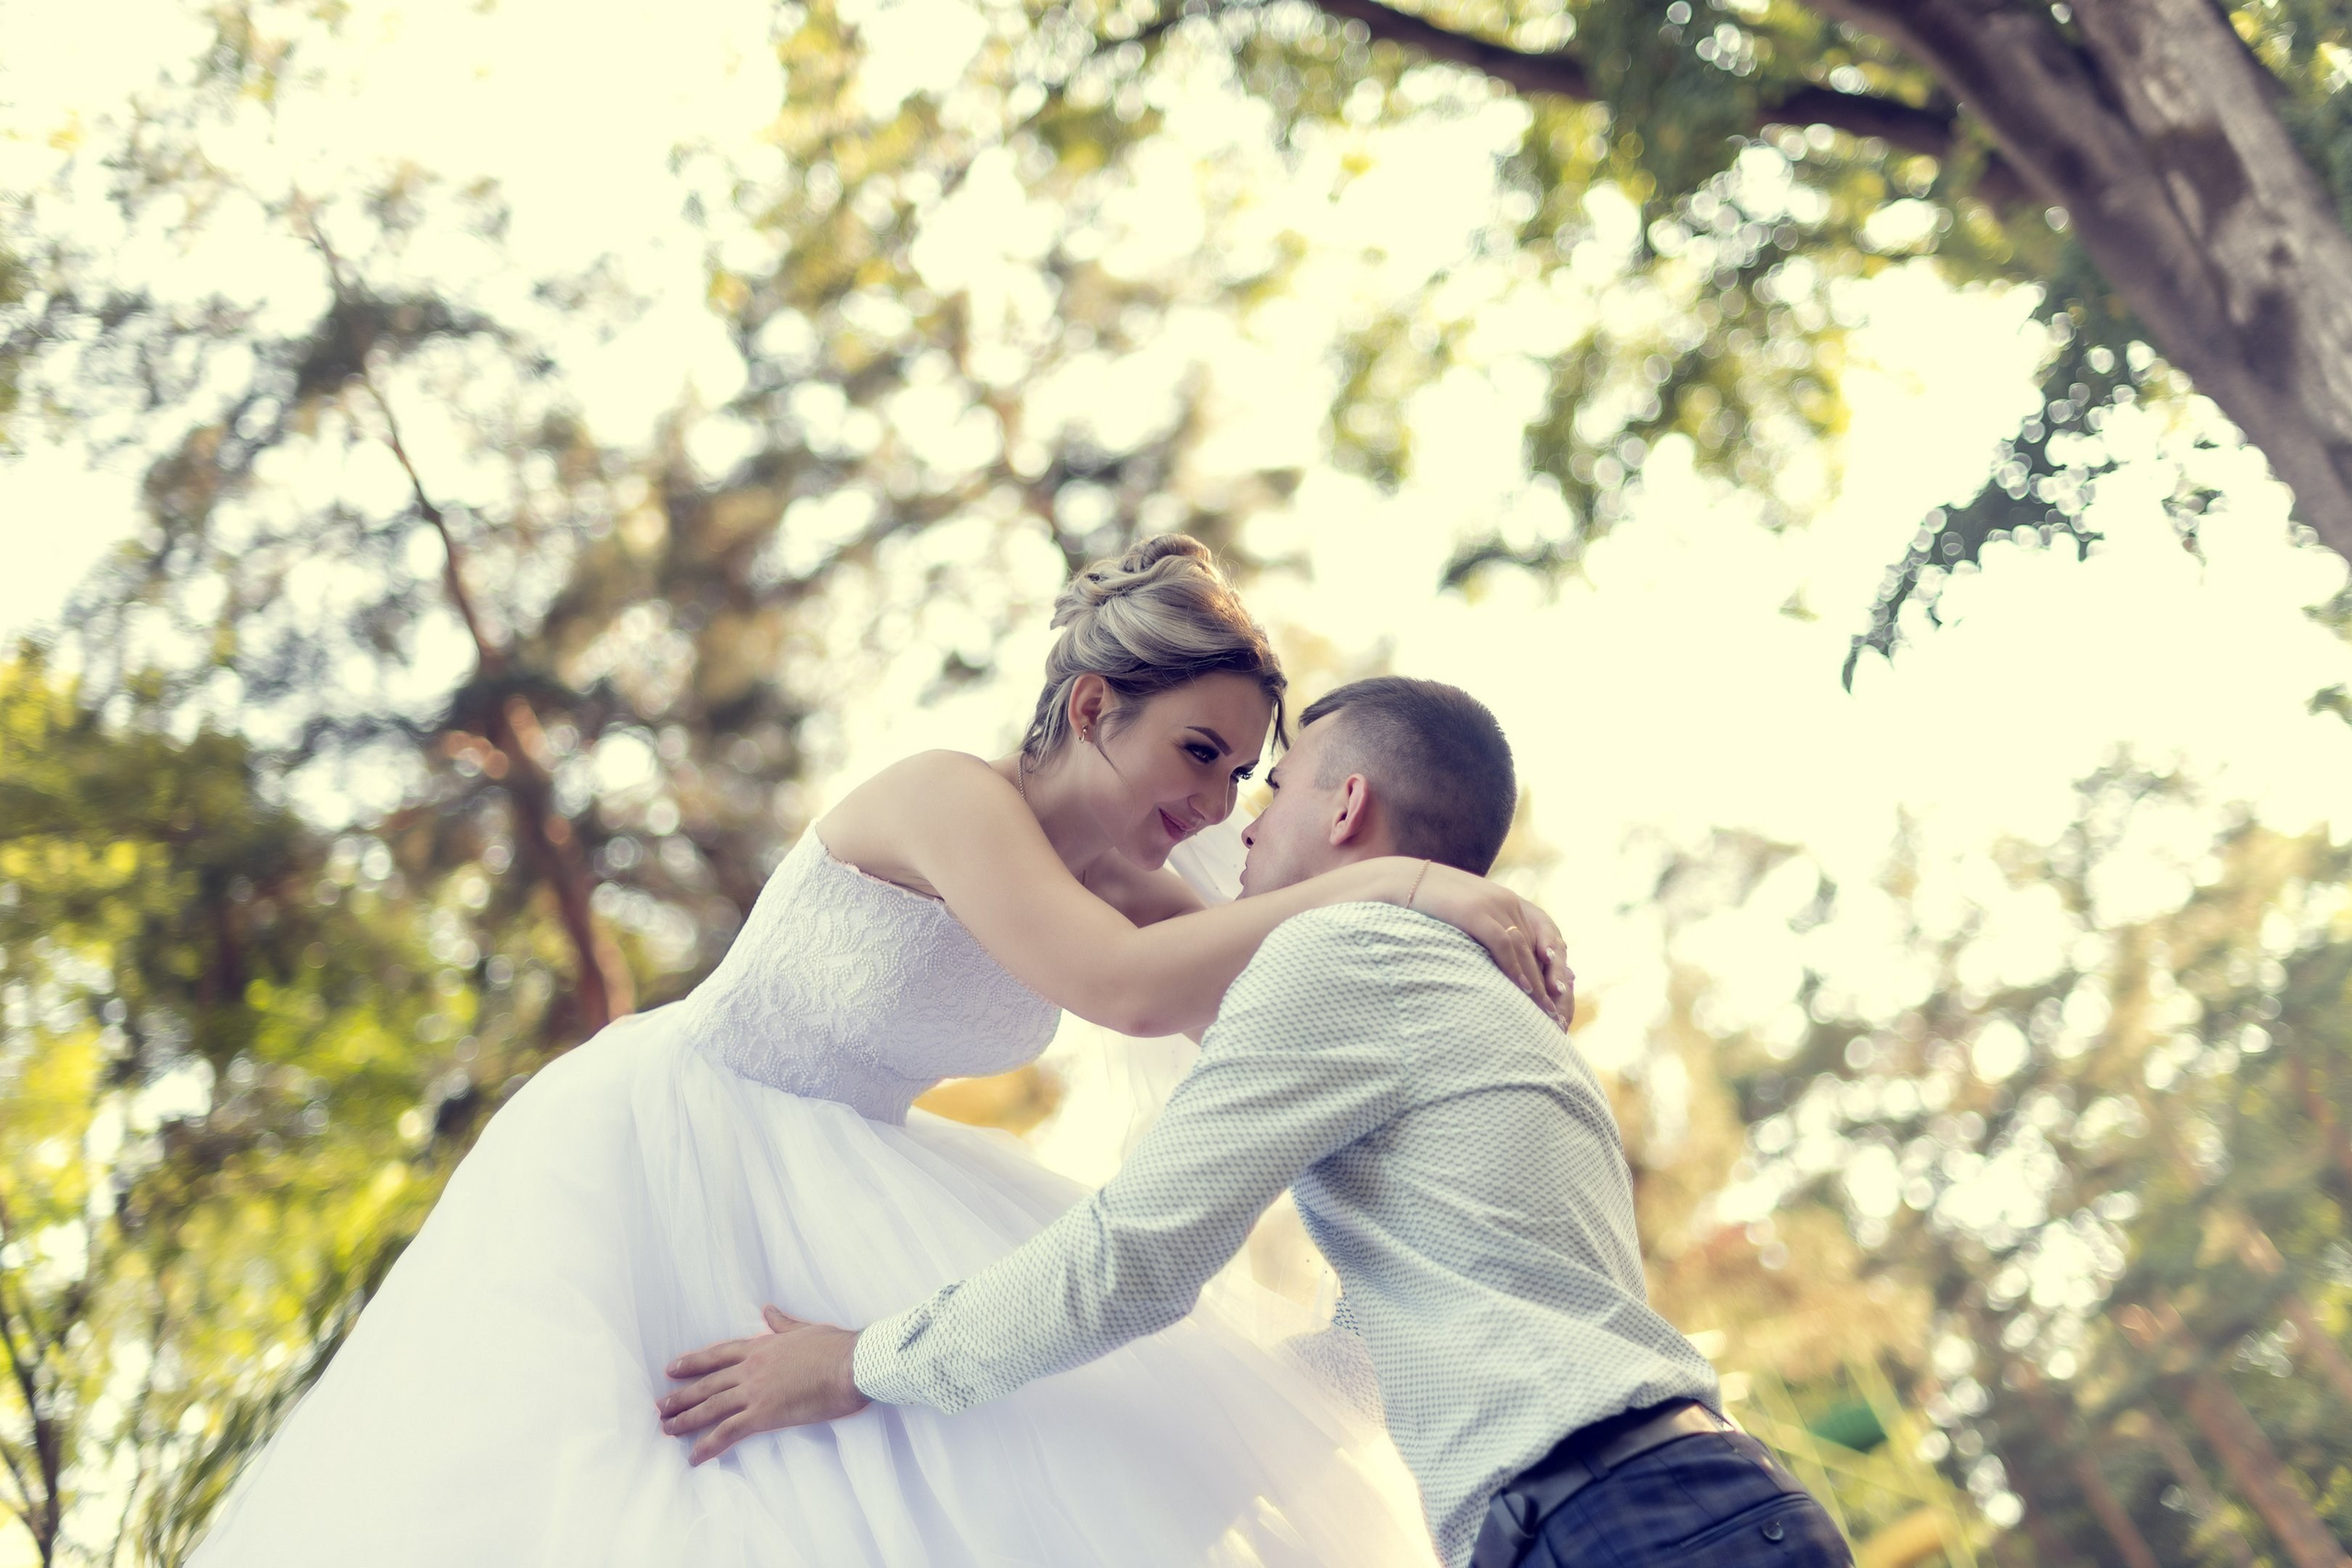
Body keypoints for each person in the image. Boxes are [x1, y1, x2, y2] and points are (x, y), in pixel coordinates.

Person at [189, 536, 1570, 1567]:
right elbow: (1127, 990)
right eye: (1200, 754)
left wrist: (1440, 1001)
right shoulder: (947, 799)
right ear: (1094, 709)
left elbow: (1258, 1006)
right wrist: (1404, 887)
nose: (1214, 804)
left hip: (863, 1172)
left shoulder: (1126, 872)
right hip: (686, 1141)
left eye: (1240, 775)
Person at [658, 676, 1855, 1568]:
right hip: (1655, 1504)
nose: (1242, 824)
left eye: (1271, 789)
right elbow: (1382, 1342)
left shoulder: (1347, 953)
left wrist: (861, 1366)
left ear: (1346, 808)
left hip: (1614, 1522)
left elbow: (1132, 1260)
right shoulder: (1456, 987)